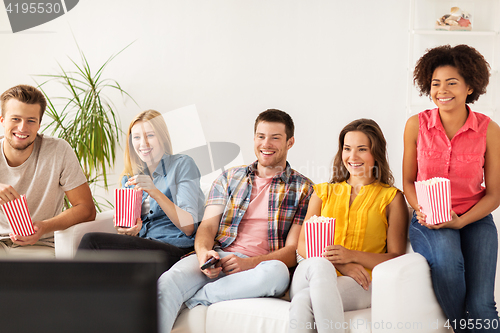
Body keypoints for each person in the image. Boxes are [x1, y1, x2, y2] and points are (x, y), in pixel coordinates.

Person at [156, 109, 314, 333]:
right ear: (254, 138)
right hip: (218, 256)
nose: (266, 143)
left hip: (259, 267)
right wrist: (204, 255)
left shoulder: (304, 188)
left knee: (278, 273)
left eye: (275, 137)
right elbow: (208, 227)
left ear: (290, 142)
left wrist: (247, 264)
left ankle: (195, 299)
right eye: (260, 136)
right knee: (168, 282)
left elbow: (292, 250)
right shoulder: (229, 177)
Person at [403, 44, 500, 332]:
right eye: (435, 83)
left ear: (470, 86)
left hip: (475, 217)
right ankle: (462, 328)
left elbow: (494, 193)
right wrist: (422, 209)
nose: (442, 90)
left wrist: (461, 221)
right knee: (449, 266)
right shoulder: (415, 125)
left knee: (483, 304)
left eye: (452, 83)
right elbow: (408, 181)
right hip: (428, 218)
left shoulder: (490, 130)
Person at [288, 118, 408, 333]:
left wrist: (352, 255)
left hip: (361, 282)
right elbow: (303, 244)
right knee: (320, 265)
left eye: (362, 149)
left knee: (303, 302)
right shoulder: (323, 192)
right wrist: (342, 264)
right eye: (347, 149)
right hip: (311, 272)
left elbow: (396, 256)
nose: (352, 157)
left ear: (376, 153)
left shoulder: (391, 198)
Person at [78, 110, 205, 270]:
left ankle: (65, 294)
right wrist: (130, 230)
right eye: (136, 137)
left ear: (162, 138)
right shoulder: (130, 178)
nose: (143, 143)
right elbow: (129, 229)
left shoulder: (182, 165)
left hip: (176, 247)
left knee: (92, 242)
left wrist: (155, 192)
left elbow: (189, 227)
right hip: (146, 244)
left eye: (150, 135)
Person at [0, 84, 96, 256]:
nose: (22, 128)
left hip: (38, 245)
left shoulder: (58, 150)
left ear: (39, 125)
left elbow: (86, 209)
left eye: (31, 120)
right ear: (2, 120)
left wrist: (43, 227)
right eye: (15, 119)